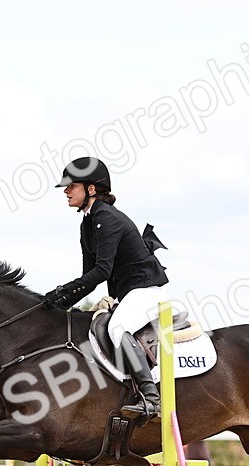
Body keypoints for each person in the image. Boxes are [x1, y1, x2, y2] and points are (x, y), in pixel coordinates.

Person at [43, 156, 169, 422]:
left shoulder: (106, 218)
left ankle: (151, 399)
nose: (66, 191)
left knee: (116, 328)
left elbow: (102, 271)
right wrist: (60, 304)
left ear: (91, 189)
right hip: (128, 293)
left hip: (145, 290)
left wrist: (62, 290)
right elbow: (90, 276)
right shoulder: (87, 223)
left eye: (71, 186)